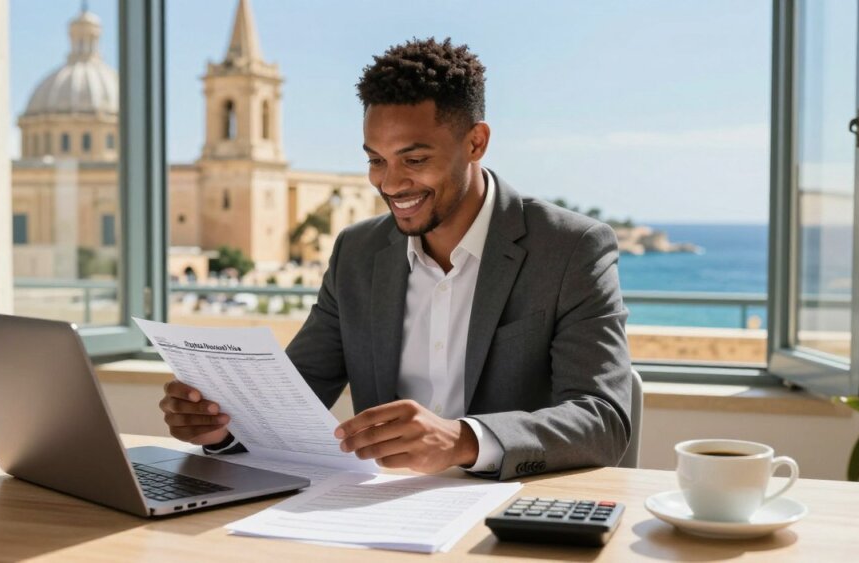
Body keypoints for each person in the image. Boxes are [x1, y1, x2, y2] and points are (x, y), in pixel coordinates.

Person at [160, 38, 632, 480]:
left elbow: (603, 420)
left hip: (509, 513)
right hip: (380, 511)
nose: (389, 184)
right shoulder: (357, 253)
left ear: (475, 143)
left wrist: (464, 440)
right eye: (376, 160)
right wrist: (221, 427)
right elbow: (291, 401)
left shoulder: (570, 248)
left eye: (414, 160)